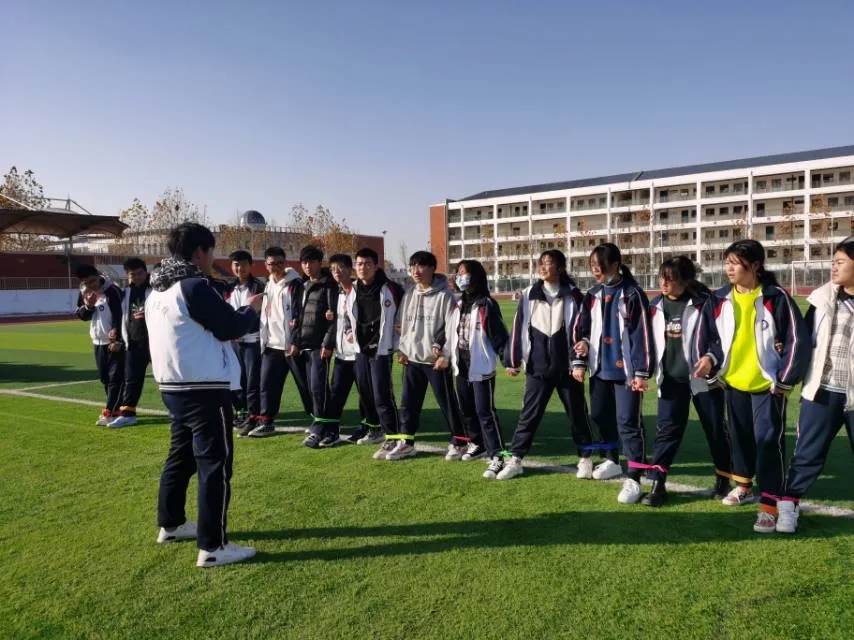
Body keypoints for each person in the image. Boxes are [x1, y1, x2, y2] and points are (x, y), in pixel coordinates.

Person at [146, 222, 262, 567]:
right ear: (199, 252)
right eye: (211, 251)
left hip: (173, 387)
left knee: (180, 457)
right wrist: (251, 310)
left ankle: (171, 523)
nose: (213, 259)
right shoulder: (193, 286)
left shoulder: (157, 290)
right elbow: (230, 327)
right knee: (215, 465)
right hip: (204, 389)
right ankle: (213, 546)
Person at [696, 239, 808, 533]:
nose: (729, 268)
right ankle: (743, 485)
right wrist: (709, 361)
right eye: (727, 262)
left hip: (767, 387)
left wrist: (784, 378)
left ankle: (770, 503)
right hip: (733, 383)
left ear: (756, 265)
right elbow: (709, 338)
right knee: (741, 437)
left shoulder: (775, 297)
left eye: (736, 263)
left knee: (768, 442)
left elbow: (796, 339)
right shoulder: (719, 298)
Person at [776, 237, 854, 533]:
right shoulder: (821, 300)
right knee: (807, 454)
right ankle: (788, 506)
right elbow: (802, 340)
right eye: (833, 261)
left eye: (840, 262)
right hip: (822, 391)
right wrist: (787, 371)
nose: (834, 267)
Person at [642, 257, 732, 506]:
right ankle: (658, 483)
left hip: (704, 381)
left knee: (715, 430)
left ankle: (723, 478)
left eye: (669, 279)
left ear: (685, 280)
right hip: (670, 380)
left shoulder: (706, 304)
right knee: (666, 432)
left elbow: (721, 338)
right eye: (661, 278)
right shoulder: (655, 306)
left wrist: (711, 358)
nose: (663, 283)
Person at [572, 243, 655, 504]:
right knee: (599, 416)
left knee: (628, 423)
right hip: (599, 369)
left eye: (601, 265)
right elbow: (582, 329)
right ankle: (612, 461)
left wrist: (641, 371)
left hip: (627, 372)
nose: (596, 270)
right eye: (592, 266)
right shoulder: (592, 295)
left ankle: (635, 478)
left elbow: (642, 334)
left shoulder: (632, 294)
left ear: (616, 265)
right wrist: (580, 354)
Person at [499, 250, 593, 480]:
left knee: (578, 415)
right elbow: (519, 327)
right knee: (528, 416)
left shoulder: (574, 295)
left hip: (568, 369)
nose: (542, 267)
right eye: (540, 263)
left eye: (547, 263)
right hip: (537, 368)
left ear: (559, 268)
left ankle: (585, 458)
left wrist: (578, 363)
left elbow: (582, 330)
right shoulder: (529, 294)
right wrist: (513, 360)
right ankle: (516, 459)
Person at [391, 250, 465, 461]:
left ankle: (460, 442)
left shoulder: (445, 296)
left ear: (432, 268)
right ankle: (406, 443)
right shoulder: (409, 294)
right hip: (412, 359)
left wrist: (446, 356)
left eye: (421, 266)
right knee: (408, 404)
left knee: (447, 403)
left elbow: (451, 329)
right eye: (412, 266)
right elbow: (400, 325)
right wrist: (402, 349)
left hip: (436, 362)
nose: (416, 271)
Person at [445, 259, 509, 478]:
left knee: (485, 412)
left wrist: (508, 361)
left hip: (481, 367)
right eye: (458, 273)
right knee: (467, 409)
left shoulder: (486, 304)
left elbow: (499, 336)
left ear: (476, 276)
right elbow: (450, 332)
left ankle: (498, 455)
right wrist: (442, 351)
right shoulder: (458, 304)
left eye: (464, 273)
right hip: (461, 365)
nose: (459, 277)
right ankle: (477, 443)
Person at [246, 247, 311, 438]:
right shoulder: (268, 285)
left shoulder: (295, 284)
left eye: (279, 263)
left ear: (285, 263)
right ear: (266, 265)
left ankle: (318, 418)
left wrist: (296, 341)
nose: (276, 267)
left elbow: (299, 314)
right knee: (267, 385)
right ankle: (266, 422)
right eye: (271, 264)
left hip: (292, 346)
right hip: (271, 345)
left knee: (305, 385)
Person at [352, 248, 405, 459]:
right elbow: (346, 315)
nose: (363, 268)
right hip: (360, 349)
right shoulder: (352, 288)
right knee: (365, 393)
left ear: (376, 266)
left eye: (367, 264)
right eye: (359, 264)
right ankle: (375, 429)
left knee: (382, 394)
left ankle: (393, 436)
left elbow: (402, 318)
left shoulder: (391, 288)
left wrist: (400, 346)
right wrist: (348, 332)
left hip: (381, 349)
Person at [326, 253, 383, 446]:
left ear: (350, 269)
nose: (337, 272)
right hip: (342, 354)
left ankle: (369, 427)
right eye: (333, 269)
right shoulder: (335, 292)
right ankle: (331, 430)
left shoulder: (359, 290)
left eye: (340, 268)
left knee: (367, 396)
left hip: (361, 352)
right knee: (336, 393)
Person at [294, 246, 340, 448]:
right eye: (304, 262)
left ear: (320, 263)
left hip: (320, 346)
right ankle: (323, 425)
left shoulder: (328, 285)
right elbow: (299, 317)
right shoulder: (303, 285)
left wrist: (327, 343)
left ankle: (319, 429)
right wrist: (296, 341)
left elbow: (333, 318)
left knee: (318, 387)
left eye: (312, 261)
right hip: (305, 345)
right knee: (313, 389)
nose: (308, 266)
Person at [74, 264, 125, 426]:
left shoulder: (112, 291)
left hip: (114, 342)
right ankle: (118, 407)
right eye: (87, 283)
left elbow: (121, 315)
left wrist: (117, 338)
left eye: (93, 281)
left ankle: (110, 411)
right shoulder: (84, 292)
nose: (91, 285)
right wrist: (89, 306)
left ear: (98, 276)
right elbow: (82, 316)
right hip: (98, 342)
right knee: (105, 378)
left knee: (114, 378)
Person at [109, 258, 152, 428]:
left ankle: (179, 413)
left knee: (166, 378)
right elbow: (119, 316)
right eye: (133, 274)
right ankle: (128, 414)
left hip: (156, 343)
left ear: (146, 272)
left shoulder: (156, 290)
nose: (137, 277)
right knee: (131, 380)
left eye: (140, 273)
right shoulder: (124, 293)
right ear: (127, 276)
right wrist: (118, 336)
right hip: (133, 343)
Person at [225, 250, 265, 432]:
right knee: (236, 379)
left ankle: (254, 415)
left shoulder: (258, 287)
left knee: (252, 381)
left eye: (243, 264)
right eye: (236, 264)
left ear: (251, 265)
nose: (239, 268)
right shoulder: (228, 287)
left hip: (252, 341)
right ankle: (242, 412)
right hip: (233, 342)